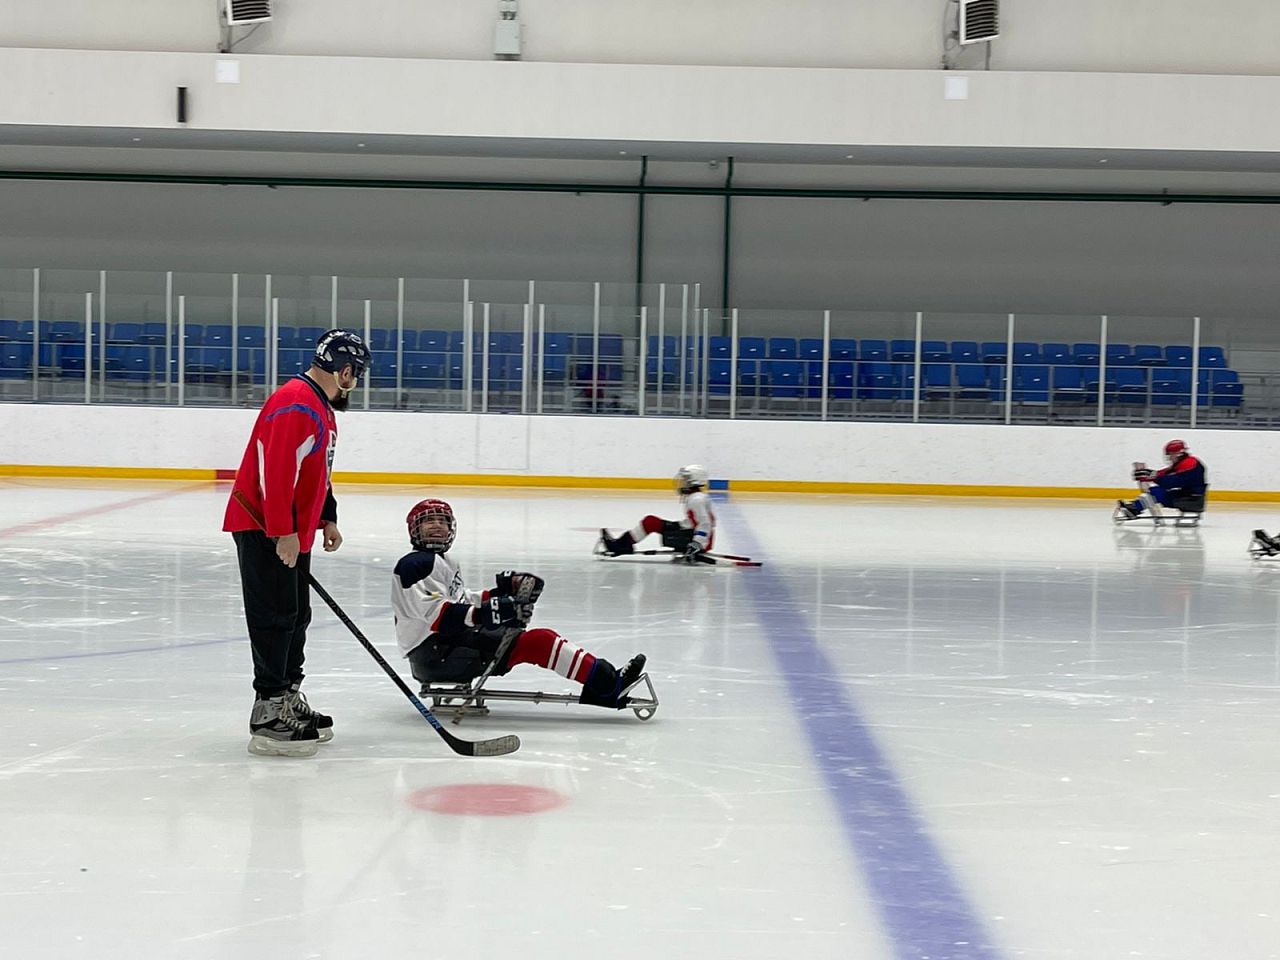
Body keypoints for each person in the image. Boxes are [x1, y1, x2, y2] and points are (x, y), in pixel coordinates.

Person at [223, 328, 371, 757]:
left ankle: (287, 696)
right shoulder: (296, 403)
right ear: (345, 372)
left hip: (290, 528)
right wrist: (282, 531)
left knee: (295, 614)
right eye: (357, 374)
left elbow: (316, 471)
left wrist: (327, 517)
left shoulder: (318, 406)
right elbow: (276, 472)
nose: (356, 383)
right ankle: (269, 711)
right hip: (265, 527)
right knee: (274, 615)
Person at [392, 498, 646, 709]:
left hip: (448, 644)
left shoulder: (444, 560)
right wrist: (492, 612)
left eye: (442, 521)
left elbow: (461, 599)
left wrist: (500, 594)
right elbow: (439, 617)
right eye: (428, 521)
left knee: (537, 641)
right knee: (539, 642)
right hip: (436, 655)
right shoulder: (415, 564)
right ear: (415, 529)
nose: (437, 525)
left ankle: (605, 682)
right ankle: (608, 685)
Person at [598, 464, 716, 563]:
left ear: (694, 481)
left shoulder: (696, 499)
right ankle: (622, 544)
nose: (682, 482)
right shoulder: (696, 497)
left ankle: (620, 546)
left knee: (650, 522)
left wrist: (698, 544)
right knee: (651, 522)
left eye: (685, 479)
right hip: (692, 533)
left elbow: (705, 523)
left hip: (697, 540)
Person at [1116, 439, 1208, 520]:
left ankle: (1134, 508)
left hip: (1192, 500)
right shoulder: (1187, 462)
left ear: (1178, 454)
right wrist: (1149, 473)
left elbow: (1171, 482)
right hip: (1189, 495)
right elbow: (1166, 473)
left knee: (1158, 493)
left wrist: (1152, 477)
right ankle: (1135, 506)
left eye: (1170, 455)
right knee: (1155, 491)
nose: (1169, 458)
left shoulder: (1189, 465)